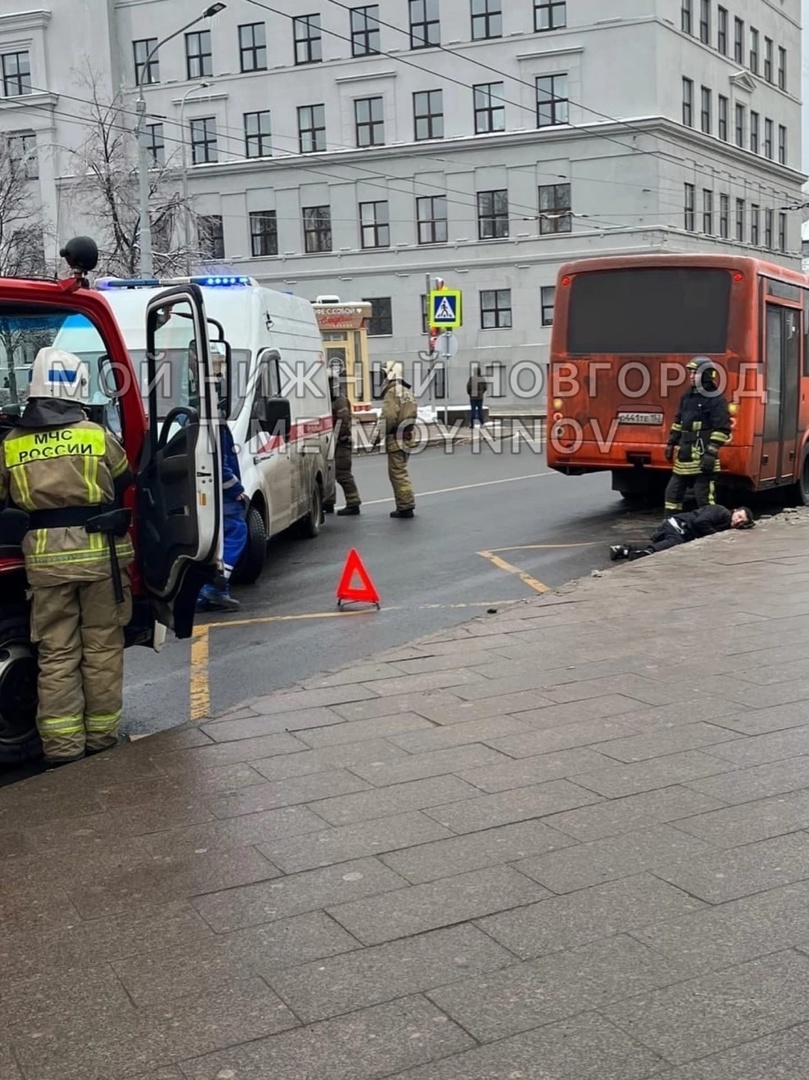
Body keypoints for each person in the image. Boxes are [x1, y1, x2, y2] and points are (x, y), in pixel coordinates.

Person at [0, 347, 135, 767]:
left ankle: (61, 746)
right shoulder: (95, 435)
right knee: (101, 648)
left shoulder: (10, 443)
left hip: (44, 563)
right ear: (78, 389)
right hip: (99, 560)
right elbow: (124, 477)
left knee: (56, 653)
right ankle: (100, 737)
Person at [197, 345, 247, 611]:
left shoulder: (203, 420)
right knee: (236, 532)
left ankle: (212, 591)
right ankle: (215, 585)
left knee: (215, 539)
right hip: (220, 494)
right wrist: (237, 490)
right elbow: (221, 465)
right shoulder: (215, 424)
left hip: (209, 490)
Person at [663, 358, 731, 512]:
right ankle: (672, 526)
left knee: (704, 498)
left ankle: (711, 529)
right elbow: (679, 421)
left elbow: (722, 429)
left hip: (703, 458)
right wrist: (671, 443)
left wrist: (711, 453)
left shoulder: (716, 399)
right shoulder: (687, 396)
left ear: (707, 375)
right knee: (672, 495)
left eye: (696, 373)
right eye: (691, 373)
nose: (691, 376)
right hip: (684, 457)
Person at [609, 504, 754, 561]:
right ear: (735, 511)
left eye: (742, 522)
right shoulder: (722, 512)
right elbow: (700, 522)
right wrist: (715, 535)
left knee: (661, 543)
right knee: (674, 543)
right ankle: (647, 553)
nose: (738, 521)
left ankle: (624, 549)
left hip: (679, 529)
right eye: (739, 516)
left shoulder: (727, 524)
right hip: (678, 525)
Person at [373, 361, 418, 518]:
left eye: (384, 374)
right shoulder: (406, 391)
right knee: (401, 471)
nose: (382, 378)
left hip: (396, 440)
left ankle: (405, 506)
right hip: (407, 437)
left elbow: (388, 417)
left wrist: (377, 437)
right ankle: (406, 504)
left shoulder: (393, 392)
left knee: (398, 474)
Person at [330, 375, 361, 516]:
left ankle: (353, 503)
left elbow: (342, 422)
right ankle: (328, 503)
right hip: (333, 442)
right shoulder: (331, 401)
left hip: (341, 443)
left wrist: (336, 438)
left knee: (343, 474)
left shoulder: (340, 401)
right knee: (329, 473)